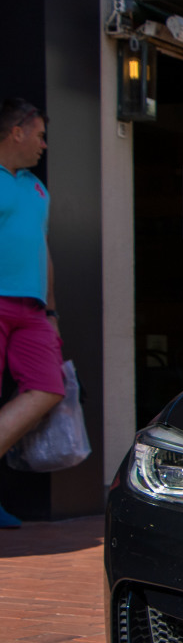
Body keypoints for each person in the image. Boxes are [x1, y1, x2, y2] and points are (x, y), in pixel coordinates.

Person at [0, 98, 63, 529]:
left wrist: (53, 310)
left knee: (49, 387)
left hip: (33, 309)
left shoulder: (37, 189)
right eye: (39, 134)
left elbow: (43, 251)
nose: (44, 144)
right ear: (16, 131)